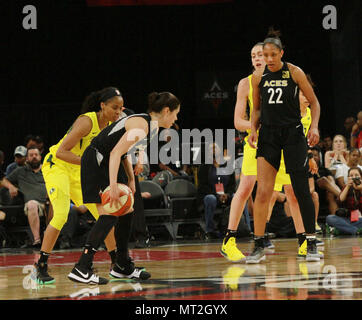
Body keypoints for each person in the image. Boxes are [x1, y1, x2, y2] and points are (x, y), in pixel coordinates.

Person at [67, 91, 180, 284]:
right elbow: (115, 153)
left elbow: (123, 152)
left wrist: (130, 179)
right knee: (109, 213)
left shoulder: (149, 126)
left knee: (127, 209)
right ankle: (82, 266)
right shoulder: (143, 125)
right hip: (97, 161)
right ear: (167, 111)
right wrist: (112, 185)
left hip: (109, 161)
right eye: (176, 113)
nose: (176, 118)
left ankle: (122, 265)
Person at [34, 87, 123, 284]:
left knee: (104, 214)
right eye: (114, 108)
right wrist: (89, 163)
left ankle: (117, 263)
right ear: (102, 105)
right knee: (61, 213)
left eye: (121, 109)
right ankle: (40, 264)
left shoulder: (110, 127)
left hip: (77, 169)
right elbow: (61, 152)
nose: (118, 112)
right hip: (57, 165)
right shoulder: (87, 121)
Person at [247, 28, 321, 263]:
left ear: (281, 53)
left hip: (292, 134)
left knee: (301, 190)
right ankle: (258, 244)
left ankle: (310, 242)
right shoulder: (259, 77)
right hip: (268, 135)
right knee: (263, 192)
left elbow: (315, 103)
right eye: (264, 55)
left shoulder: (294, 72)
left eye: (272, 55)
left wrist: (315, 127)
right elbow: (257, 108)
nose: (268, 59)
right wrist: (252, 128)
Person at [220, 42, 266, 262]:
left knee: (292, 190)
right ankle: (229, 240)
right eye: (253, 55)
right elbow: (238, 121)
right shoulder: (245, 84)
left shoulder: (284, 80)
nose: (257, 58)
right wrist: (256, 126)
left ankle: (307, 241)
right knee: (245, 188)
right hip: (256, 143)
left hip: (282, 142)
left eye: (260, 55)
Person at [1, 147, 48, 247]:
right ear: (26, 158)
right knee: (32, 204)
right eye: (31, 155)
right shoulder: (20, 171)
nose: (34, 157)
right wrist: (11, 187)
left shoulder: (47, 170)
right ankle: (37, 240)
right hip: (34, 204)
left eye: (36, 155)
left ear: (40, 157)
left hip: (50, 201)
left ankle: (59, 239)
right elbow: (3, 180)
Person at [198, 143, 236, 239]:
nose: (214, 150)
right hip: (211, 195)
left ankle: (246, 229)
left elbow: (232, 184)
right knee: (210, 198)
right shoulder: (204, 167)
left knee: (237, 197)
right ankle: (209, 230)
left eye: (216, 147)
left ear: (221, 151)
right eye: (211, 148)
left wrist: (227, 194)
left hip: (226, 195)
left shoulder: (228, 166)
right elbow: (203, 187)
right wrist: (217, 195)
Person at [326, 167, 362, 235]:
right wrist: (348, 186)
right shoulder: (346, 187)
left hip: (359, 219)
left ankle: (342, 230)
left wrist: (360, 189)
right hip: (347, 219)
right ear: (348, 178)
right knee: (330, 218)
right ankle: (356, 231)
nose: (354, 178)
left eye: (356, 175)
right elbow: (340, 200)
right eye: (351, 176)